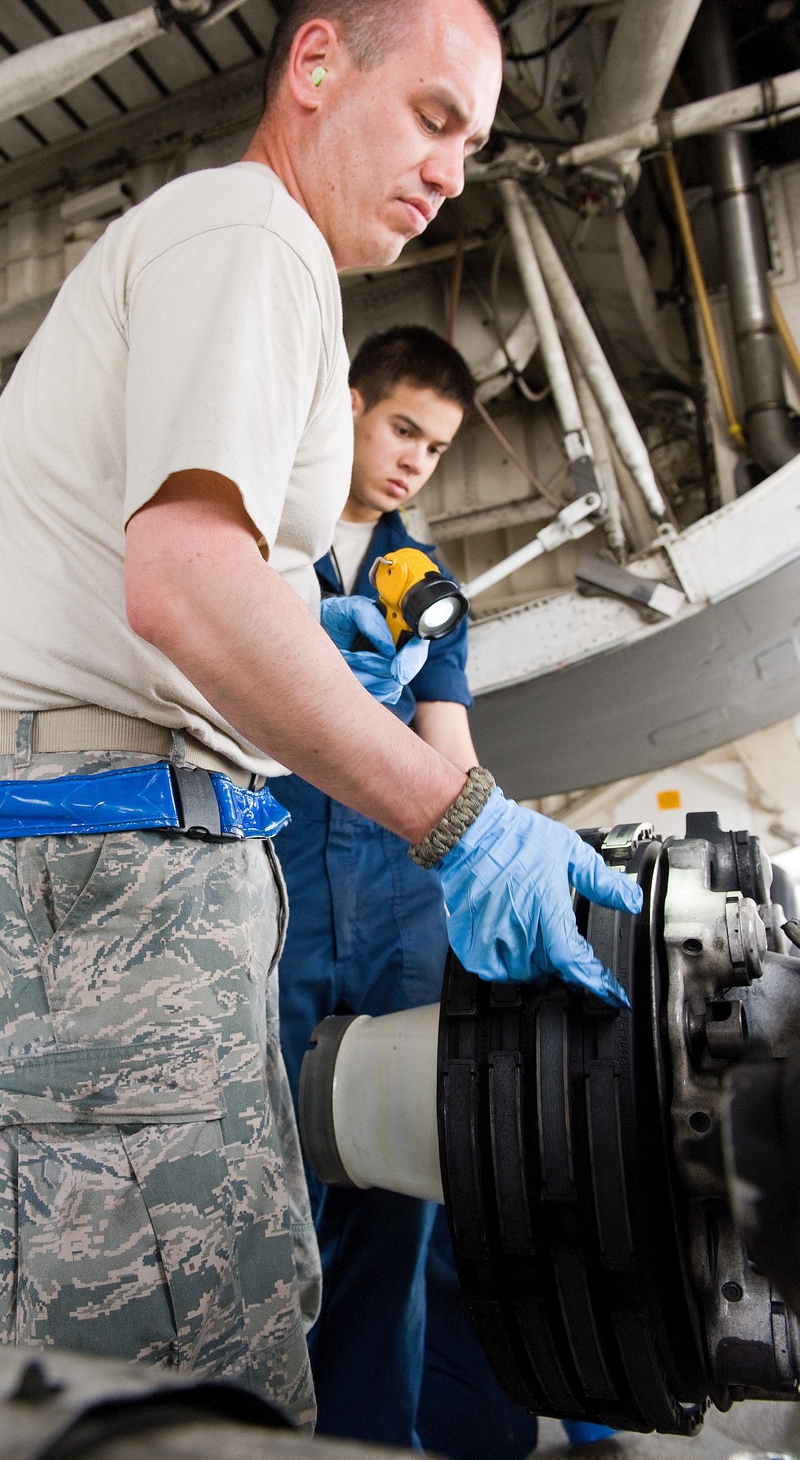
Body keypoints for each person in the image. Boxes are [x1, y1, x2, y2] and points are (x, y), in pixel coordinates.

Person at [0, 0, 639, 1430]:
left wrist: (305, 625)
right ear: (315, 66)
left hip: (131, 868)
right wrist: (463, 820)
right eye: (432, 116)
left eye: (473, 145)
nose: (449, 174)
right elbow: (182, 582)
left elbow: (206, 573)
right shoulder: (251, 236)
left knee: (170, 1335)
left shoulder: (270, 270)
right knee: (185, 1379)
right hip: (110, 870)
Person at [270, 325, 535, 1457]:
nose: (415, 463)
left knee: (392, 1192)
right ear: (349, 407)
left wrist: (514, 871)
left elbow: (452, 754)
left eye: (436, 447)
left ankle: (372, 1441)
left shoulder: (427, 587)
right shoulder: (261, 553)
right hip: (274, 907)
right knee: (269, 1195)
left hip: (395, 918)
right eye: (402, 429)